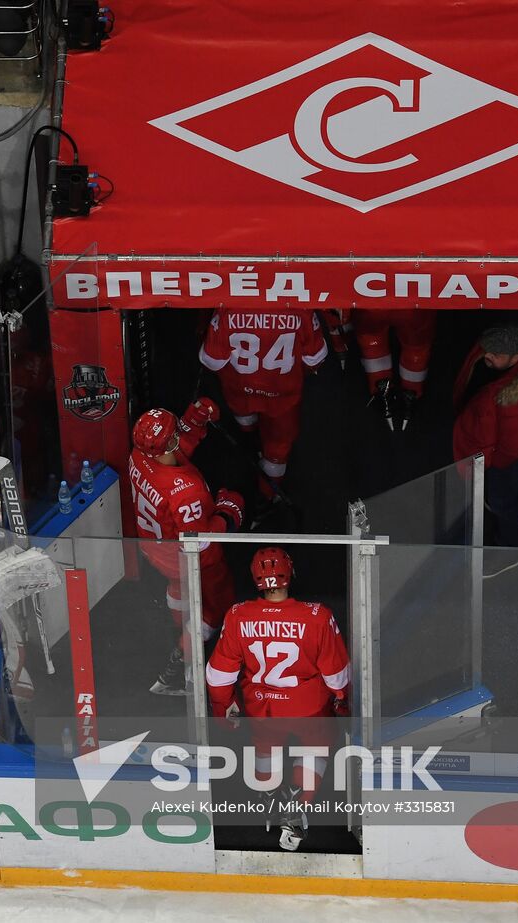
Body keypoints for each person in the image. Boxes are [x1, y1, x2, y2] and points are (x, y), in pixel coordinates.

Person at [206, 547, 351, 852]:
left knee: (265, 746)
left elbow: (219, 675)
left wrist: (224, 705)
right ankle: (295, 810)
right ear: (291, 572)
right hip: (308, 707)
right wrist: (342, 701)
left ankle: (269, 799)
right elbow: (336, 676)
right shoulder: (317, 616)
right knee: (314, 750)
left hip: (263, 706)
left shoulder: (237, 614)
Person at [127, 401, 245, 695]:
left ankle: (178, 627)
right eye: (176, 430)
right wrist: (227, 512)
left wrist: (195, 419)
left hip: (155, 549)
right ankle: (179, 666)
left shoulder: (138, 457)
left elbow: (175, 452)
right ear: (169, 442)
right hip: (190, 557)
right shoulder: (184, 490)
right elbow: (201, 541)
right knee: (217, 606)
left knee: (178, 587)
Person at [199, 308, 327, 500]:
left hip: (240, 390)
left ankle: (250, 439)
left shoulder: (226, 308)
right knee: (278, 448)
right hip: (283, 394)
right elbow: (315, 359)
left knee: (244, 416)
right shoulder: (302, 308)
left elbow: (211, 360)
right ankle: (266, 498)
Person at [452, 325, 518, 547]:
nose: (487, 355)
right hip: (515, 454)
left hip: (507, 460)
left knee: (501, 501)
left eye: (496, 355)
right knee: (514, 487)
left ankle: (508, 550)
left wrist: (489, 464)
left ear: (516, 359)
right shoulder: (506, 373)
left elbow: (515, 446)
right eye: (487, 350)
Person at [351, 309, 436, 431]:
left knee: (372, 343)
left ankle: (382, 389)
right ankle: (410, 393)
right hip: (415, 304)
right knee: (416, 349)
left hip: (371, 304)